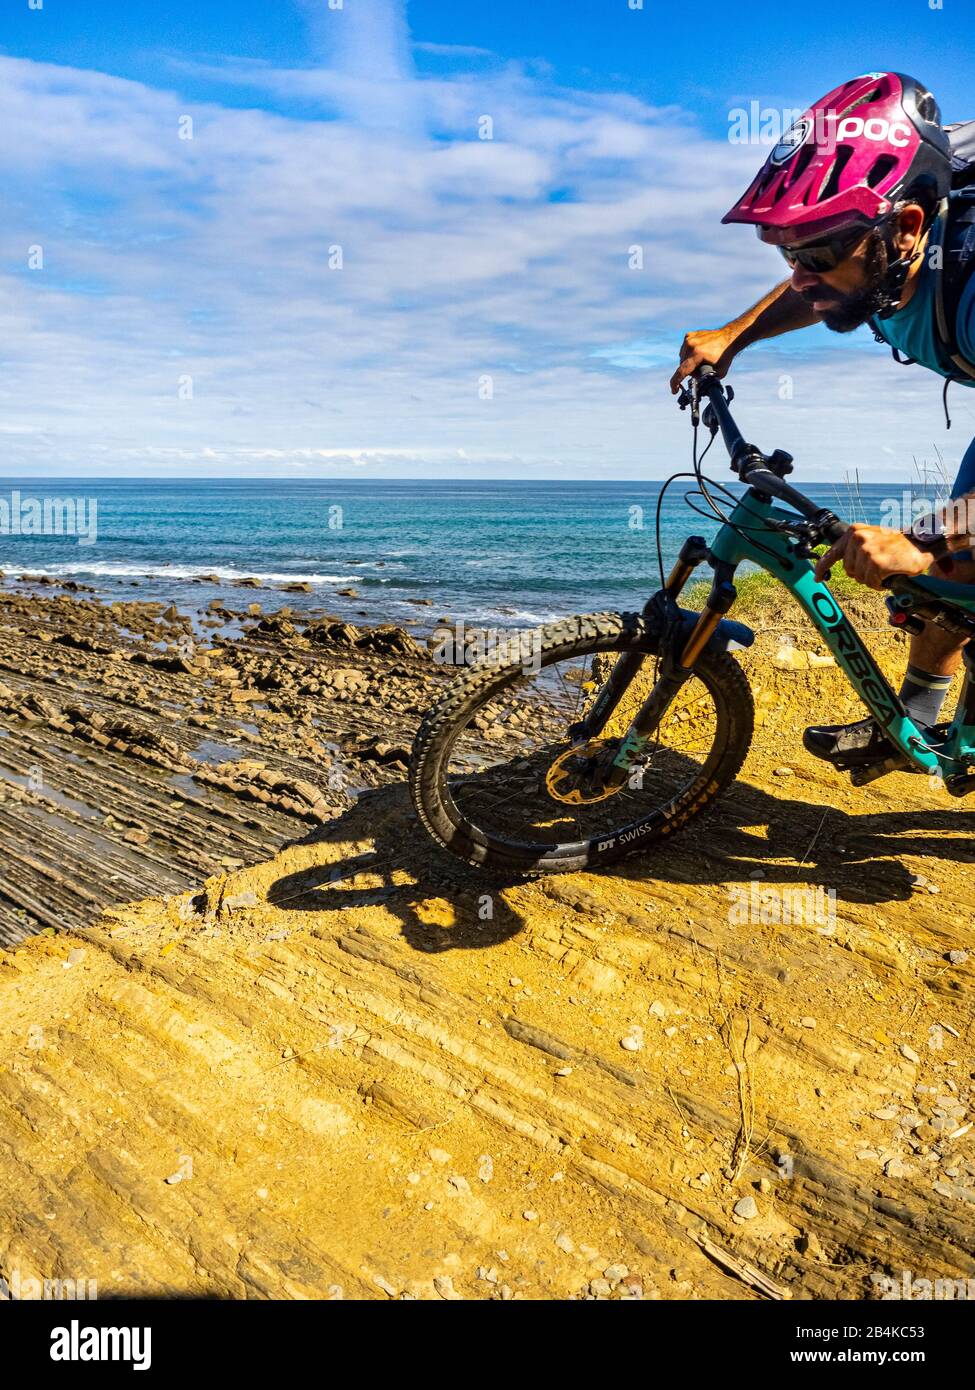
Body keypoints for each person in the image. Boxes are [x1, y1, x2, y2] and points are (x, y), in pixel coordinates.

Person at [671, 72, 975, 770]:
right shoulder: (868, 248)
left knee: (941, 550)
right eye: (785, 251)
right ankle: (919, 725)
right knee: (945, 583)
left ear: (905, 228)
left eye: (814, 254)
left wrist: (924, 543)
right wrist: (732, 336)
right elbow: (815, 283)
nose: (799, 275)